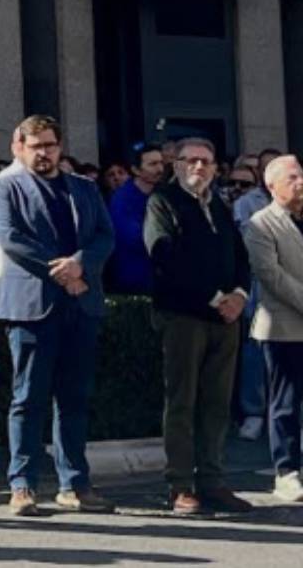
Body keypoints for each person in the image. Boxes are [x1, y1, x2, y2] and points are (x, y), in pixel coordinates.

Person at [0, 115, 117, 517]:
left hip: (81, 303)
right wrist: (62, 273)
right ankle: (22, 484)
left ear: (60, 147)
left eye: (50, 145)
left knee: (74, 398)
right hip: (31, 306)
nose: (43, 153)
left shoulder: (85, 188)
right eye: (35, 145)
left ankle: (74, 483)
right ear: (18, 146)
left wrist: (80, 264)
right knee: (28, 398)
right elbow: (12, 239)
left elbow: (105, 237)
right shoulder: (4, 188)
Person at [143, 137, 254, 515]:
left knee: (217, 404)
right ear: (176, 165)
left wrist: (239, 295)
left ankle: (213, 480)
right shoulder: (163, 202)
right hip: (184, 316)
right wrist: (213, 297)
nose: (199, 168)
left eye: (206, 162)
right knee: (182, 402)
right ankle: (179, 485)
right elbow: (165, 257)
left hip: (225, 321)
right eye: (191, 161)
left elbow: (240, 256)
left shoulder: (220, 205)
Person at [244, 155, 303, 502]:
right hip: (283, 326)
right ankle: (287, 471)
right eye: (292, 177)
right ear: (272, 185)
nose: (300, 182)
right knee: (286, 403)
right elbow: (272, 277)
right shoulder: (260, 224)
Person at [107, 145, 165, 295]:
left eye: (161, 163)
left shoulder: (163, 192)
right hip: (136, 278)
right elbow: (133, 237)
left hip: (160, 277)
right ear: (136, 170)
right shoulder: (123, 199)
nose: (160, 169)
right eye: (152, 164)